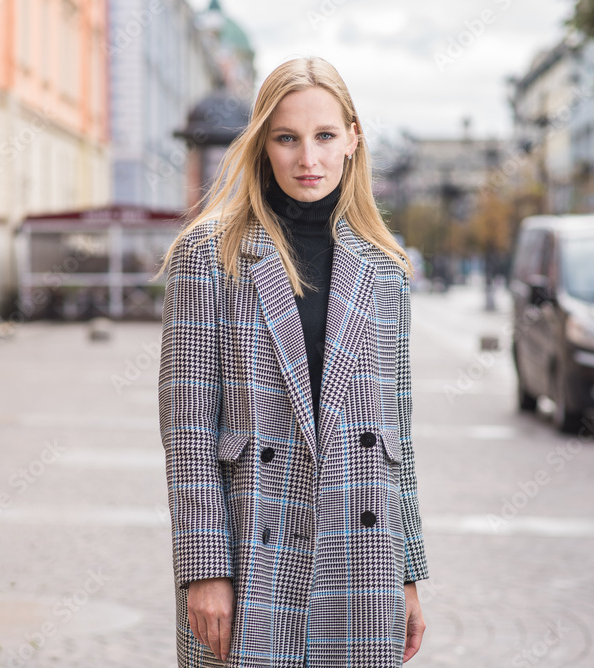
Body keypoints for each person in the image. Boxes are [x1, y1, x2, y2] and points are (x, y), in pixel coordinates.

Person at [156, 56, 429, 668]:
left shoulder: (385, 268)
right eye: (287, 138)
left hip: (362, 559)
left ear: (353, 140)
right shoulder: (210, 256)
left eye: (325, 136)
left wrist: (409, 572)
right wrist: (204, 569)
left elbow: (398, 439)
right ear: (262, 144)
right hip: (251, 552)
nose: (309, 158)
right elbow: (189, 430)